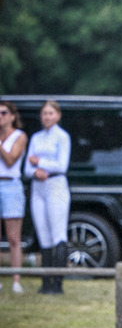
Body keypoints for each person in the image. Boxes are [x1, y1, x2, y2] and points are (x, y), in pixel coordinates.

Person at [24, 101, 71, 294]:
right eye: (44, 113)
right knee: (43, 234)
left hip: (55, 185)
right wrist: (35, 171)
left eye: (50, 113)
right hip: (39, 187)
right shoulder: (36, 138)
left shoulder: (62, 137)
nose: (47, 117)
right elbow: (27, 167)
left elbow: (61, 165)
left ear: (57, 115)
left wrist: (40, 162)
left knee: (57, 233)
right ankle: (46, 281)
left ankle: (58, 282)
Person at [0, 100, 28, 294]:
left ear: (12, 116)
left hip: (11, 185)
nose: (0, 117)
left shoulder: (19, 136)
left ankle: (16, 279)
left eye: (3, 113)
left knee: (13, 238)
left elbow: (10, 159)